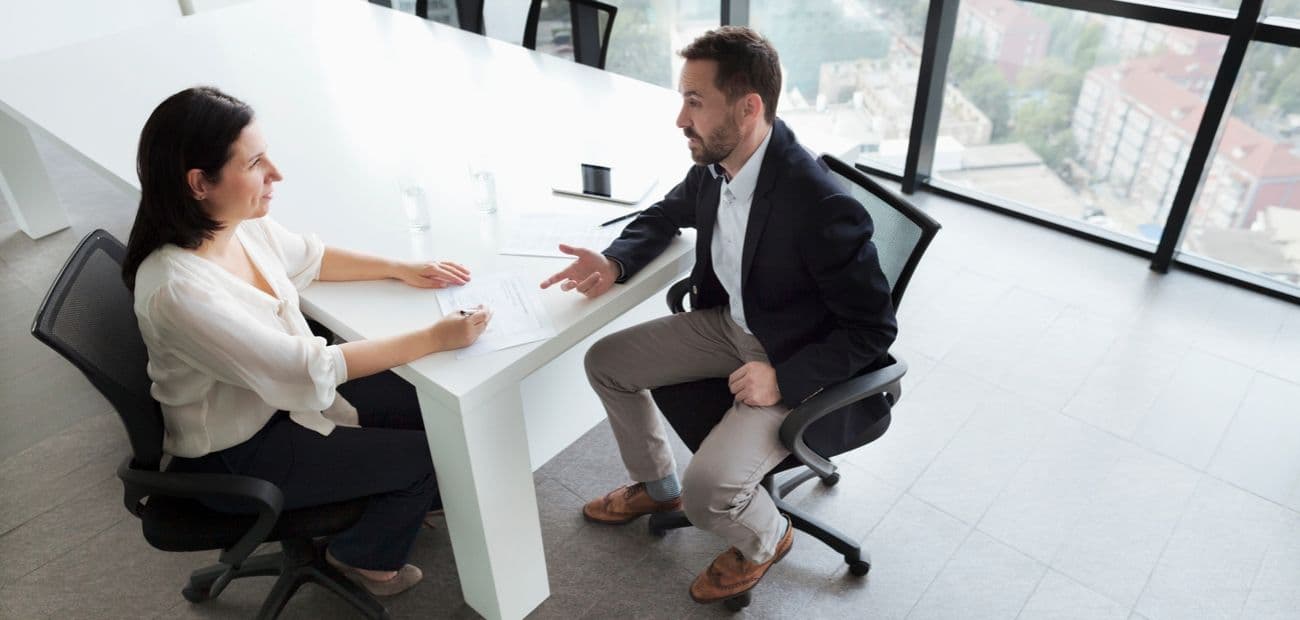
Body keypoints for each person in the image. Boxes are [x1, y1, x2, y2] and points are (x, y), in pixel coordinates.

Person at [540, 27, 897, 603]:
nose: (681, 119)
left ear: (749, 107)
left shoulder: (821, 205)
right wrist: (614, 262)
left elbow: (873, 330)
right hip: (732, 323)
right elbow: (663, 214)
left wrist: (783, 378)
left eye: (695, 101)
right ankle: (657, 487)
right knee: (606, 362)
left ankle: (767, 538)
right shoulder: (717, 162)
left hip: (793, 354)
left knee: (707, 496)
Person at [122, 86, 492, 597]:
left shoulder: (237, 224)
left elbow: (308, 257)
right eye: (255, 163)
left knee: (426, 399)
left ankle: (392, 498)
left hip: (278, 402)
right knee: (436, 453)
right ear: (199, 183)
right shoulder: (180, 289)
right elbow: (307, 371)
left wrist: (402, 268)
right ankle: (361, 558)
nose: (275, 173)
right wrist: (434, 335)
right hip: (240, 451)